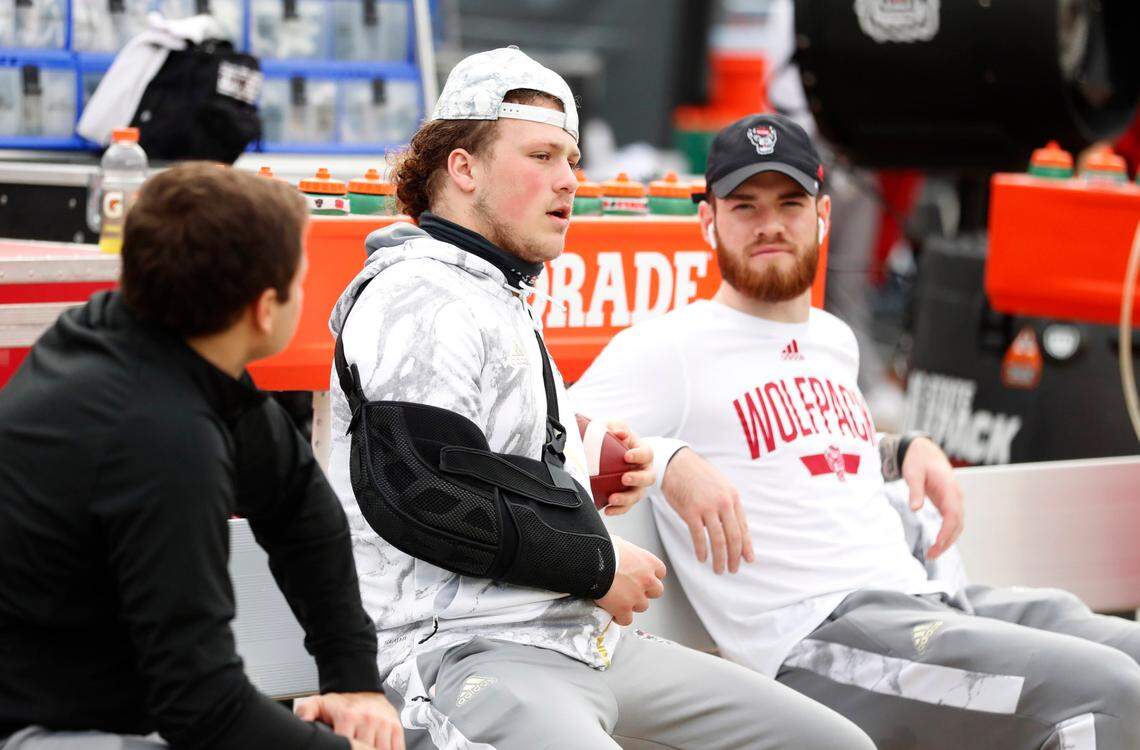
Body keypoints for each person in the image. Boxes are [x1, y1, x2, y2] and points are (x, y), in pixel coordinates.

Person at [326, 48, 875, 750]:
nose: (569, 181)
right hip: (458, 651)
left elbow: (491, 461)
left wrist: (597, 471)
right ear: (462, 169)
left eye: (572, 158)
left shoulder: (496, 289)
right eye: (542, 156)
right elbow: (423, 493)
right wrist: (594, 559)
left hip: (580, 638)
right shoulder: (418, 291)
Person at [571, 112, 1140, 749]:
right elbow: (555, 425)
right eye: (745, 206)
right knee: (1109, 689)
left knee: (1134, 655)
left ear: (821, 215)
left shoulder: (832, 339)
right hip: (823, 639)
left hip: (930, 601)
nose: (769, 225)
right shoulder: (672, 345)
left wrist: (901, 450)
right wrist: (671, 459)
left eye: (789, 203)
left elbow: (809, 449)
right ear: (709, 221)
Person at [0, 164, 403, 750]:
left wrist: (353, 682)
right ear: (266, 310)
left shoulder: (127, 336)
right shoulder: (161, 438)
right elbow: (204, 708)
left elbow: (297, 504)